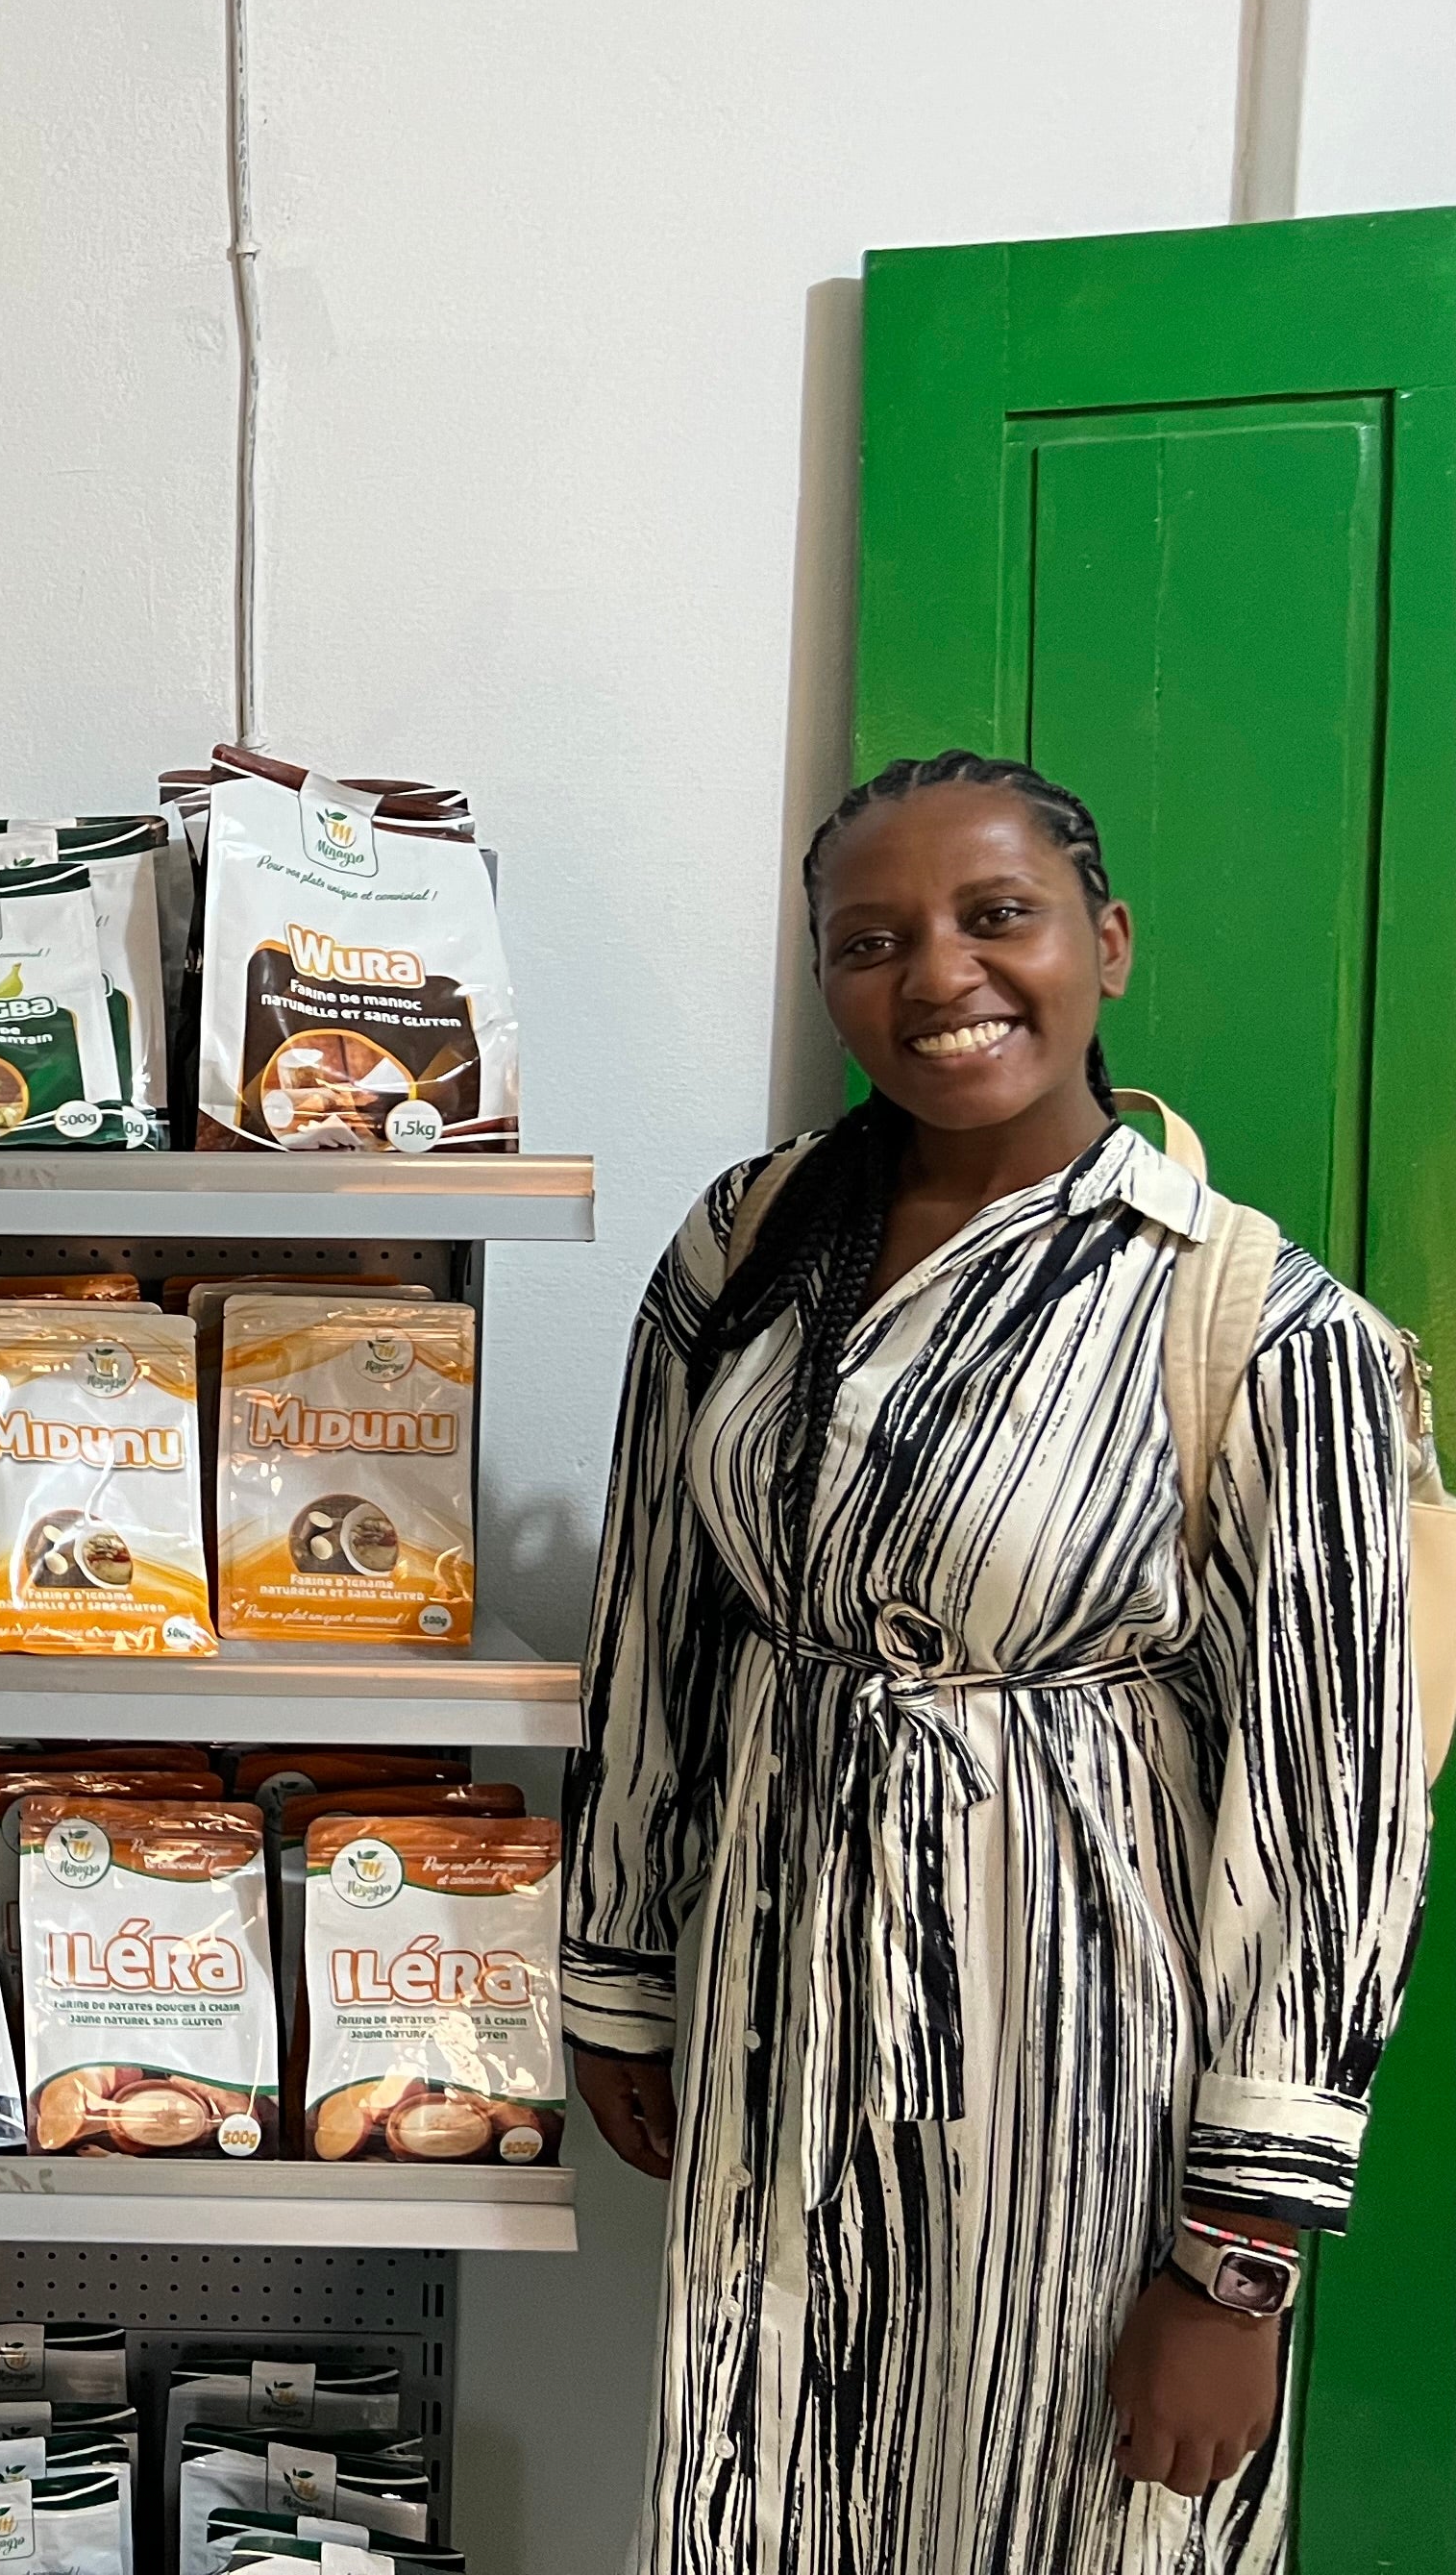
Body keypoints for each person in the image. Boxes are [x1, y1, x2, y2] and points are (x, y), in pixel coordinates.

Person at [564, 751, 1430, 2575]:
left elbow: (1332, 1822)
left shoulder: (1255, 1323)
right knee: (765, 2477)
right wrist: (620, 1968)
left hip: (1088, 2063)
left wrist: (1237, 2267)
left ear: (1105, 945)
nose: (938, 974)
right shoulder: (744, 1244)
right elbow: (657, 1620)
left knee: (1066, 2517)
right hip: (774, 2016)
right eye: (871, 940)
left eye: (997, 917)